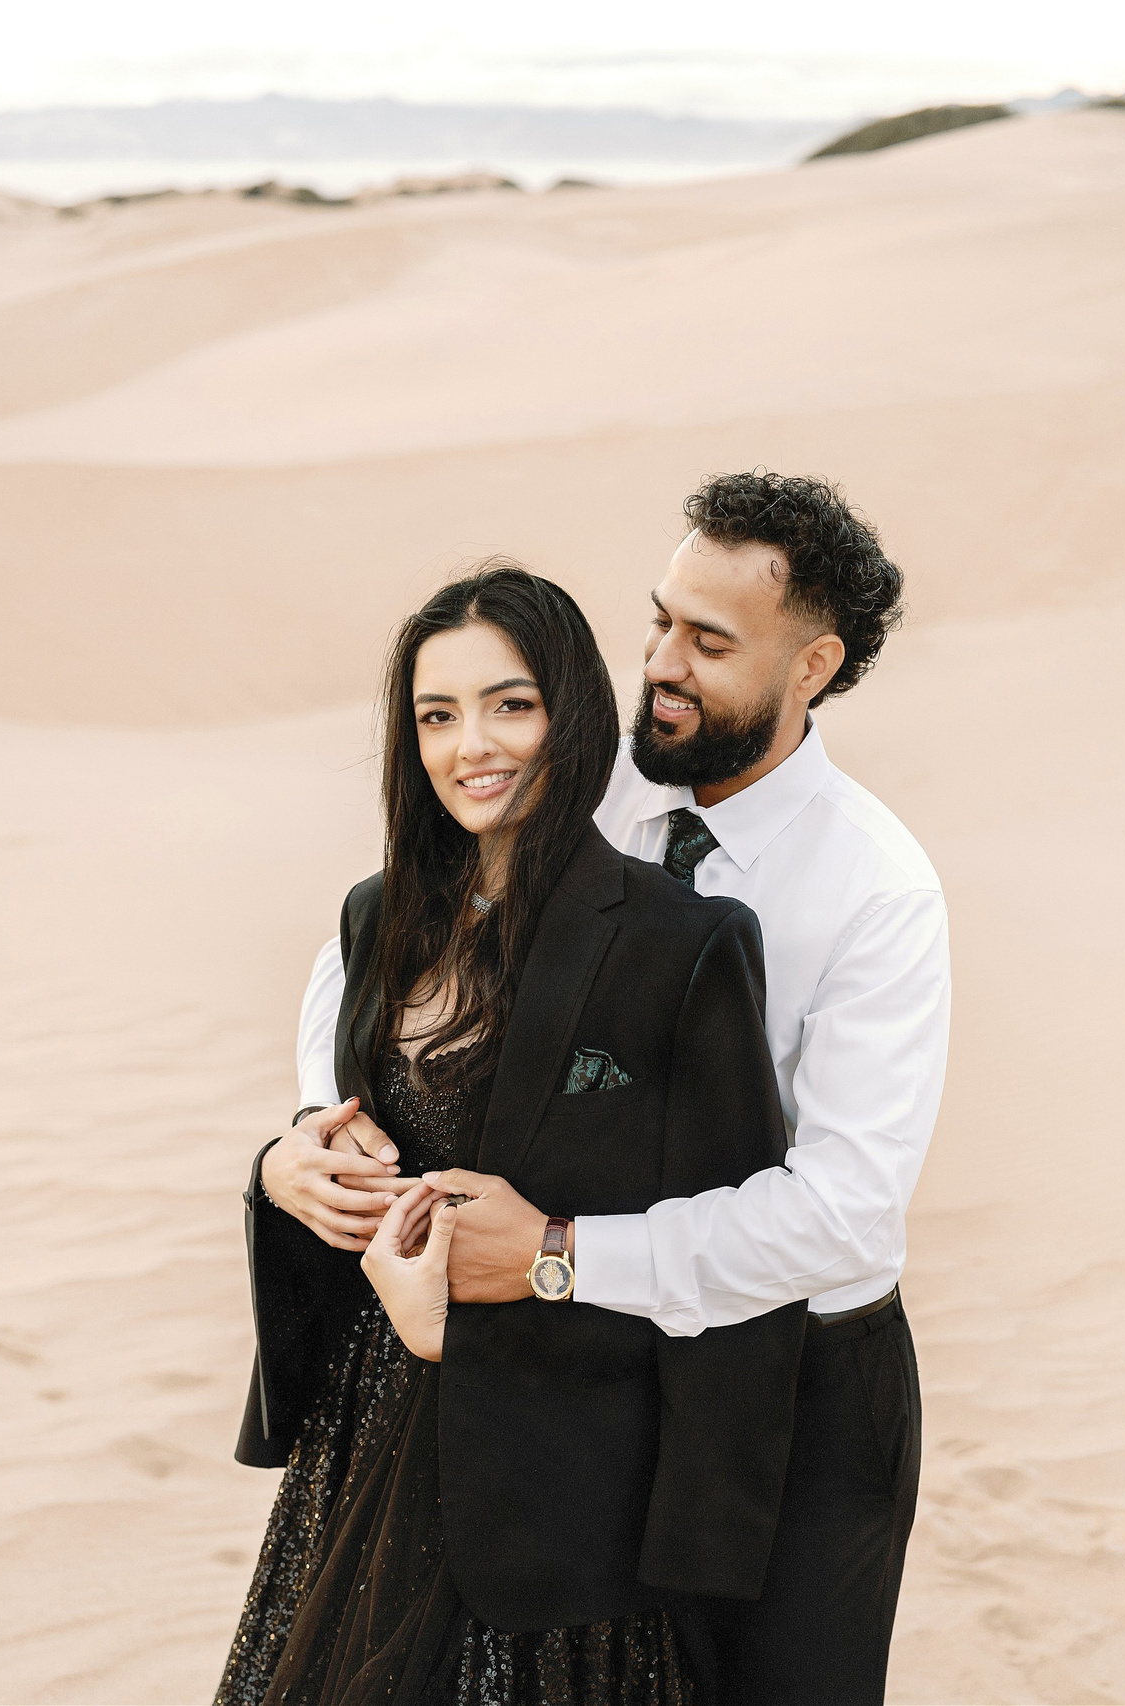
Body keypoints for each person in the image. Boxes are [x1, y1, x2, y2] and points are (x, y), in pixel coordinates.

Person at [271, 473, 949, 1704]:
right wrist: (319, 1123)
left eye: (708, 640)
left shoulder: (876, 889)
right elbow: (375, 948)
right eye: (656, 620)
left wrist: (558, 1255)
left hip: (800, 1383)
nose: (661, 664)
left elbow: (845, 1210)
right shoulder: (593, 783)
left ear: (813, 665)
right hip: (596, 1382)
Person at [220, 560, 808, 1706]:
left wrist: (706, 1565)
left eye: (510, 703)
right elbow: (352, 1146)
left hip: (567, 1492)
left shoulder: (680, 943)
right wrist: (285, 1169)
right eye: (436, 714)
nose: (470, 744)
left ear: (573, 712)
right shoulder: (376, 913)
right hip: (367, 1456)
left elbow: (730, 1262)